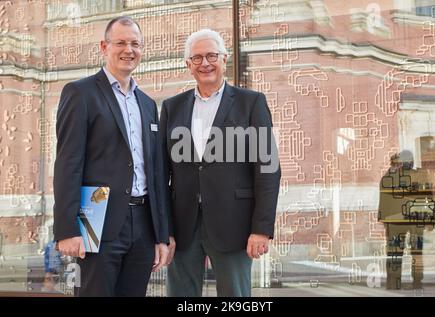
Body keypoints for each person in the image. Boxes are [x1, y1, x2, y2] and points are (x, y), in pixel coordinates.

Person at [53, 16, 169, 297]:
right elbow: (68, 164)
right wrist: (67, 229)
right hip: (95, 218)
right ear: (104, 47)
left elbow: (154, 172)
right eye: (120, 42)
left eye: (135, 44)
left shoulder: (147, 103)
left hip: (142, 224)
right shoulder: (80, 93)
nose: (128, 49)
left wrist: (161, 235)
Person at [160, 29, 281, 297]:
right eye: (198, 57)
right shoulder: (172, 107)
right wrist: (163, 230)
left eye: (212, 55)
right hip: (182, 228)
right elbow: (161, 175)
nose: (205, 63)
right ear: (188, 65)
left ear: (224, 59)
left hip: (234, 226)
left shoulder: (251, 103)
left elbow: (268, 169)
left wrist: (261, 229)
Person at [378, 150, 435, 290]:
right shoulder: (420, 175)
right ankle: (416, 282)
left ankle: (393, 282)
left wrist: (384, 220)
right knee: (416, 252)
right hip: (416, 219)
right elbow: (429, 197)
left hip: (396, 220)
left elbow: (384, 197)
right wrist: (430, 220)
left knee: (395, 252)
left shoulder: (390, 176)